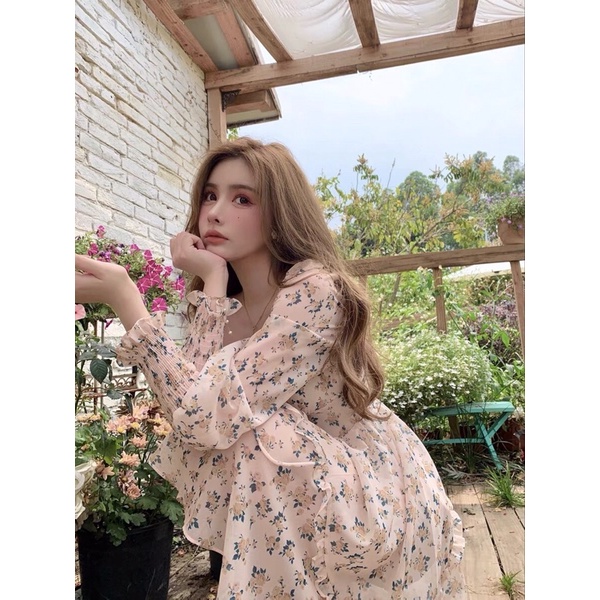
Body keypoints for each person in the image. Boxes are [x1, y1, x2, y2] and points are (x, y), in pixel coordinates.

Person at [75, 137, 465, 599]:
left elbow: (202, 416)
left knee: (255, 434)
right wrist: (214, 282)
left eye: (242, 199)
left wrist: (126, 299)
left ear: (281, 211)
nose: (215, 213)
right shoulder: (223, 304)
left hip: (370, 483)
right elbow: (191, 411)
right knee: (241, 429)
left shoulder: (315, 291)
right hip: (299, 483)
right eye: (209, 196)